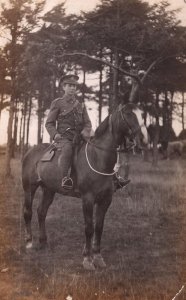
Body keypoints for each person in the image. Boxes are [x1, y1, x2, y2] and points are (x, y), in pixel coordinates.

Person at [45, 74, 130, 191]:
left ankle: (114, 178)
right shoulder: (57, 103)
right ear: (63, 87)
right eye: (70, 86)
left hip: (80, 137)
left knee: (102, 150)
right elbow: (49, 123)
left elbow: (88, 123)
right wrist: (55, 134)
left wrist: (85, 132)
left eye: (74, 86)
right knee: (68, 150)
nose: (73, 88)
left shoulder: (81, 105)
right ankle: (65, 179)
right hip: (64, 139)